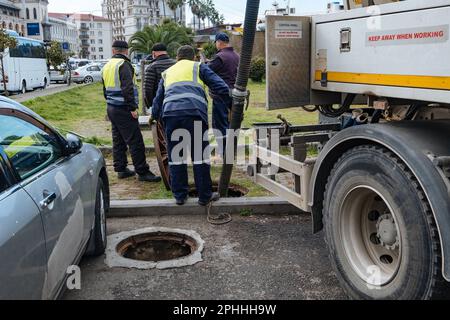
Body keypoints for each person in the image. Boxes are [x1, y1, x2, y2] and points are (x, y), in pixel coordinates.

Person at [151, 45, 230, 206]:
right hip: (194, 113)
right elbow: (221, 87)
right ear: (193, 57)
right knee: (200, 156)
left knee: (176, 156)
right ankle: (204, 197)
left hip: (171, 116)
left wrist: (153, 116)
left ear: (177, 58)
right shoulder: (198, 66)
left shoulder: (168, 72)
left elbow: (158, 100)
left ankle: (180, 196)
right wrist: (226, 102)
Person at [102, 40, 161, 183]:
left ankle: (121, 169)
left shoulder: (107, 65)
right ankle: (142, 171)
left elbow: (104, 90)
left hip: (112, 107)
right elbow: (127, 88)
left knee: (118, 140)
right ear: (126, 51)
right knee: (135, 141)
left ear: (113, 50)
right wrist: (132, 107)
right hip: (124, 108)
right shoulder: (124, 65)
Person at [206, 33, 240, 158]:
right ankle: (232, 151)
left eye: (215, 42)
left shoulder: (219, 57)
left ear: (219, 42)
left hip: (221, 95)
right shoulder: (236, 56)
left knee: (220, 124)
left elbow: (207, 71)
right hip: (235, 94)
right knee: (233, 124)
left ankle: (225, 152)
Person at [142, 43, 176, 114]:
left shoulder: (152, 67)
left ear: (153, 53)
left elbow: (147, 90)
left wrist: (152, 106)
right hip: (176, 103)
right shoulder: (176, 64)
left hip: (160, 105)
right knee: (197, 123)